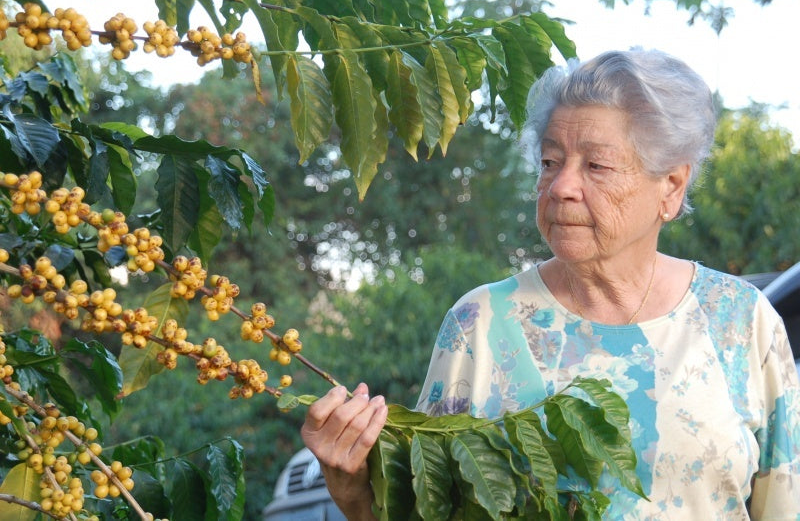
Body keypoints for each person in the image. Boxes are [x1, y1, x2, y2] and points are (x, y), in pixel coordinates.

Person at [301, 48, 800, 519]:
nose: (561, 187)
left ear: (670, 186)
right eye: (550, 161)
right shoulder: (481, 324)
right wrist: (353, 493)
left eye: (597, 166)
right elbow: (430, 511)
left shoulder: (741, 319)